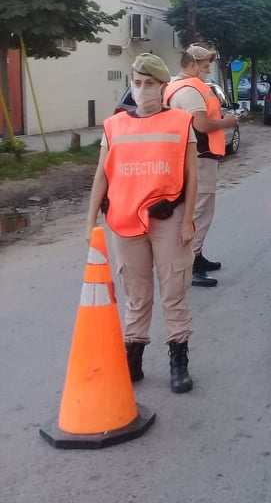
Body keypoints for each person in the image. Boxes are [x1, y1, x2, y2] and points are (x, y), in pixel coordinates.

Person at [86, 54, 198, 393]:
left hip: (169, 217)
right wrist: (90, 219)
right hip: (124, 221)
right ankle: (133, 358)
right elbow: (102, 176)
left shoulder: (181, 121)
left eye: (150, 83)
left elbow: (192, 176)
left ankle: (179, 359)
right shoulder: (115, 125)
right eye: (137, 83)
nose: (142, 89)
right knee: (136, 294)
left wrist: (189, 218)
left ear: (163, 86)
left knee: (173, 291)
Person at [164, 45, 239, 287]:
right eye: (205, 66)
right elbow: (202, 125)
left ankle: (197, 255)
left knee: (199, 209)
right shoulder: (189, 90)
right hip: (199, 155)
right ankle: (191, 264)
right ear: (193, 64)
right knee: (200, 210)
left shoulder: (177, 86)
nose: (207, 71)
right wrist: (228, 122)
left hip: (192, 155)